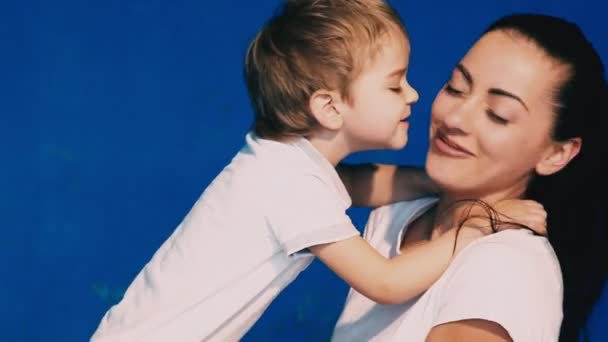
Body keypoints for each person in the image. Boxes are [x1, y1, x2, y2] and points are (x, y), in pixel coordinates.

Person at [90, 2, 546, 341]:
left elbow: (358, 185)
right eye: (394, 84)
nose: (413, 94)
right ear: (329, 107)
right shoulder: (288, 184)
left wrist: (448, 183)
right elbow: (385, 282)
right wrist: (473, 226)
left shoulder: (283, 164)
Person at [333, 13, 608, 342]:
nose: (455, 118)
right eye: (455, 88)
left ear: (555, 154)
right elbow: (301, 176)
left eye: (497, 115)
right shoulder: (397, 213)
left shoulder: (505, 267)